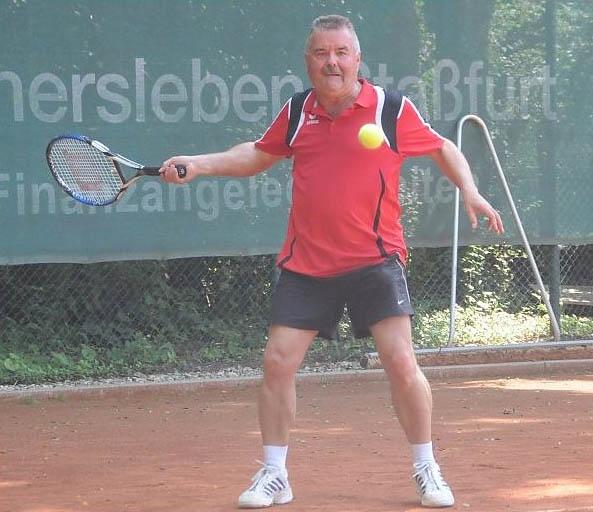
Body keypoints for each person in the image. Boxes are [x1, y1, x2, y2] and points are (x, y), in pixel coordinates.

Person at [161, 14, 504, 509]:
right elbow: (257, 154)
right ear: (309, 62)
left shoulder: (389, 109)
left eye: (341, 53)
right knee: (277, 362)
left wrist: (469, 190)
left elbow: (443, 147)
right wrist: (198, 164)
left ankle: (426, 466)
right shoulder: (298, 112)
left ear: (357, 59)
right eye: (322, 53)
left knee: (400, 361)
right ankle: (275, 474)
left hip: (375, 259)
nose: (332, 62)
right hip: (307, 264)